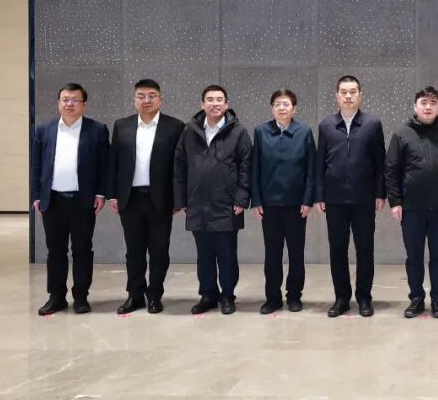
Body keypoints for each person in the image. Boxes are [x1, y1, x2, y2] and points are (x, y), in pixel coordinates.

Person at [108, 79, 185, 314]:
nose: (146, 100)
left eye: (152, 95)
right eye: (141, 96)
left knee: (159, 250)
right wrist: (113, 195)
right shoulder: (122, 125)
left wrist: (178, 198)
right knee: (134, 250)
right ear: (134, 100)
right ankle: (135, 295)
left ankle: (155, 295)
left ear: (160, 99)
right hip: (130, 198)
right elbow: (113, 162)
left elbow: (179, 166)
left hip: (160, 199)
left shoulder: (175, 126)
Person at [31, 83, 109, 316]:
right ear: (58, 103)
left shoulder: (97, 129)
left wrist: (101, 193)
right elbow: (37, 166)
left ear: (84, 105)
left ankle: (81, 297)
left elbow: (104, 165)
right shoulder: (44, 130)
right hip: (53, 200)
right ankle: (56, 297)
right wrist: (36, 195)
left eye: (75, 100)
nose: (69, 104)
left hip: (82, 201)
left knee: (82, 250)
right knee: (55, 251)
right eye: (65, 99)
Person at [173, 84, 252, 315]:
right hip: (197, 203)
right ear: (202, 104)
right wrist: (181, 200)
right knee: (204, 255)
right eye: (210, 99)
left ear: (226, 104)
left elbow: (246, 166)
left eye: (219, 99)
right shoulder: (189, 131)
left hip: (227, 204)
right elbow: (179, 166)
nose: (214, 103)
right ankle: (208, 295)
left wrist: (242, 198)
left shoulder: (238, 132)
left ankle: (227, 296)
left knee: (227, 254)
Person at [386, 86, 438, 319]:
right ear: (415, 106)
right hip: (411, 207)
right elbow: (391, 170)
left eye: (432, 103)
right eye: (423, 102)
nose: (428, 107)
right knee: (414, 256)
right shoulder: (402, 134)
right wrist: (395, 202)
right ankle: (416, 299)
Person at [315, 75, 386, 318]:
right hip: (334, 199)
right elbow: (320, 163)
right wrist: (320, 195)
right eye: (343, 92)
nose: (348, 96)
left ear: (360, 95)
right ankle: (341, 298)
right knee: (337, 250)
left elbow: (380, 162)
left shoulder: (372, 124)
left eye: (352, 91)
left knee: (365, 249)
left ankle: (364, 297)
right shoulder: (326, 125)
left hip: (364, 198)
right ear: (336, 96)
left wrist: (380, 193)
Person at [251, 89, 316, 315]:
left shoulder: (304, 132)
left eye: (286, 104)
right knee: (272, 254)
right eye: (277, 104)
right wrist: (256, 200)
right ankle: (272, 298)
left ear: (294, 108)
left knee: (296, 253)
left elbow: (311, 168)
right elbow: (254, 168)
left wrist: (308, 199)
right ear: (272, 108)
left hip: (296, 205)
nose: (281, 108)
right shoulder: (261, 132)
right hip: (269, 205)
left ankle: (294, 296)